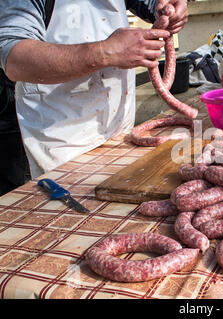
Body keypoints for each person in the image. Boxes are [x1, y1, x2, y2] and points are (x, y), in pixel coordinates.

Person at [0, 0, 188, 194]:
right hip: (62, 138)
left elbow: (151, 5)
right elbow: (14, 58)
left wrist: (170, 7)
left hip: (119, 128)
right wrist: (104, 53)